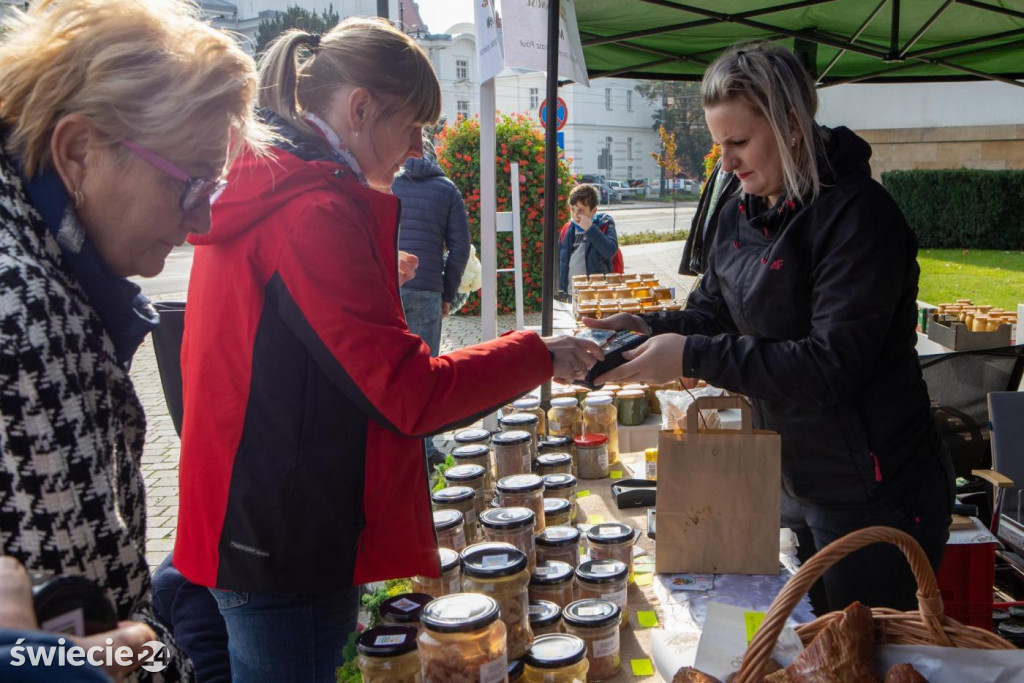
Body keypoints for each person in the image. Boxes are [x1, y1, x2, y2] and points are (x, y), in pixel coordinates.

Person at [173, 19, 603, 682]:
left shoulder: (275, 184)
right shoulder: (312, 211)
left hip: (250, 514)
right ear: (360, 108)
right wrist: (538, 353)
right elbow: (409, 392)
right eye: (413, 126)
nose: (417, 148)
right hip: (283, 536)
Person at [588, 43, 954, 613]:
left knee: (863, 646)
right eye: (719, 145)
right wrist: (643, 325)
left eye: (738, 142)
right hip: (791, 470)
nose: (726, 163)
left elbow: (829, 366)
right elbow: (713, 310)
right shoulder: (741, 207)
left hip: (874, 486)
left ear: (790, 125)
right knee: (807, 637)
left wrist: (691, 355)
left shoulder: (859, 216)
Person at [0, 0, 267, 679]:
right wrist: (158, 657)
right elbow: (96, 629)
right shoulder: (27, 314)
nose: (202, 220)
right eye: (190, 184)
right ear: (78, 152)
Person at [393, 148, 471, 357]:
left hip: (387, 287)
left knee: (386, 364)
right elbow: (460, 249)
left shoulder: (382, 181)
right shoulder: (447, 189)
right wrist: (447, 295)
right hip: (426, 289)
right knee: (424, 365)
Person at [678, 158, 738, 276]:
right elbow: (706, 210)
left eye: (738, 146)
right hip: (711, 260)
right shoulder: (721, 164)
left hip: (726, 265)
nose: (727, 154)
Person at [558, 183, 619, 295]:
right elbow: (561, 262)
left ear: (593, 210)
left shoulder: (605, 225)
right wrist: (562, 291)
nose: (576, 215)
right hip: (572, 292)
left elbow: (610, 251)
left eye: (581, 210)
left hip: (597, 294)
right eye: (573, 209)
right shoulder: (567, 229)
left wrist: (590, 229)